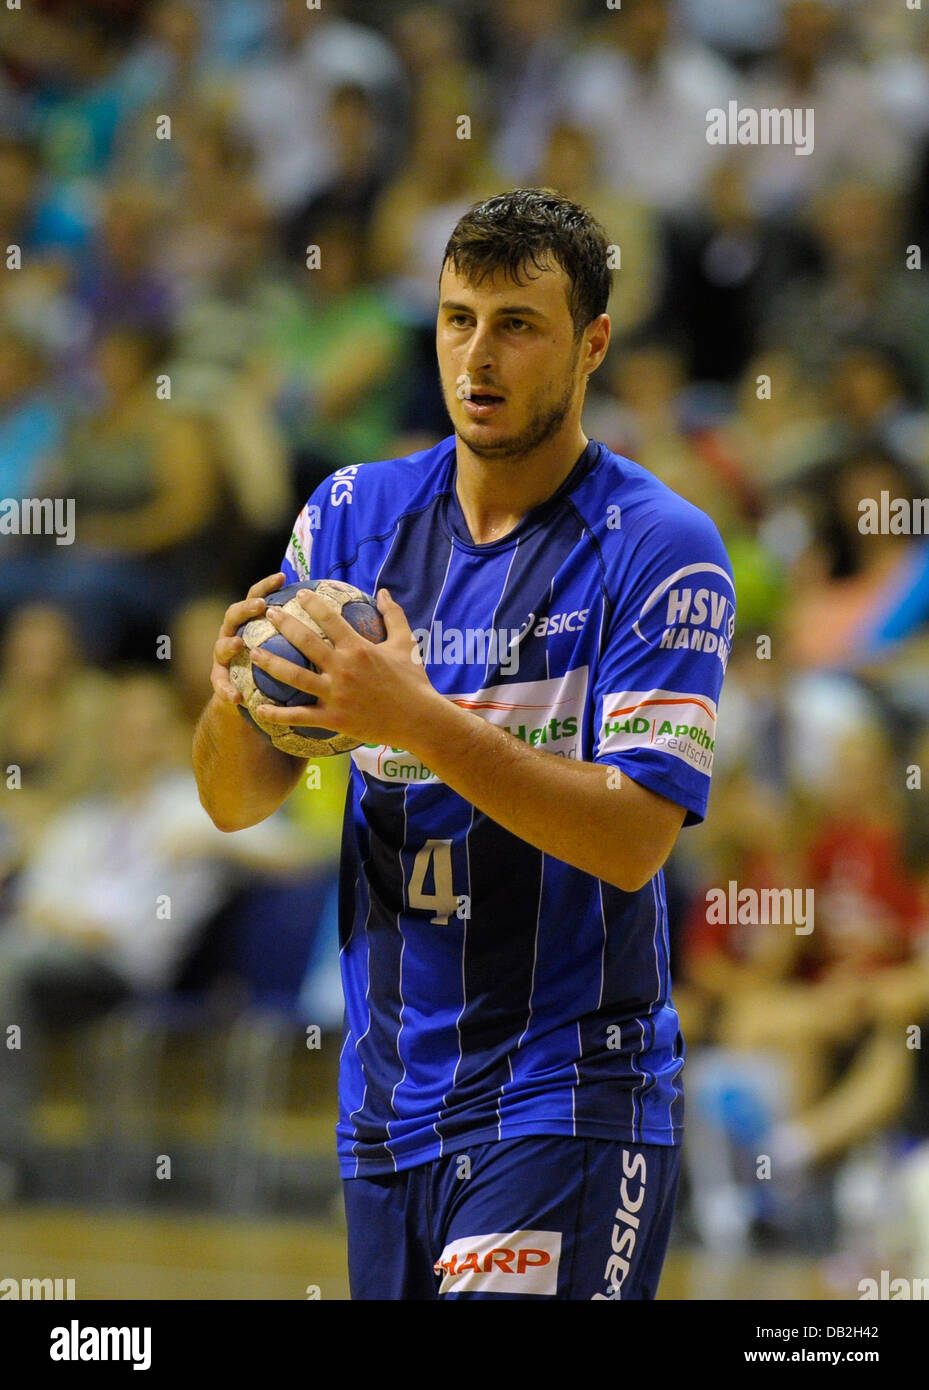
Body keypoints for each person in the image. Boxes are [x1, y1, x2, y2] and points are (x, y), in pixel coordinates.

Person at [193, 189, 735, 1300]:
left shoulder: (662, 548)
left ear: (590, 345)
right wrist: (233, 703)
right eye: (455, 320)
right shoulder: (351, 514)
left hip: (569, 1092)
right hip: (386, 1107)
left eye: (515, 325)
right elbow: (234, 800)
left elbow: (633, 838)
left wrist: (413, 717)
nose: (476, 357)